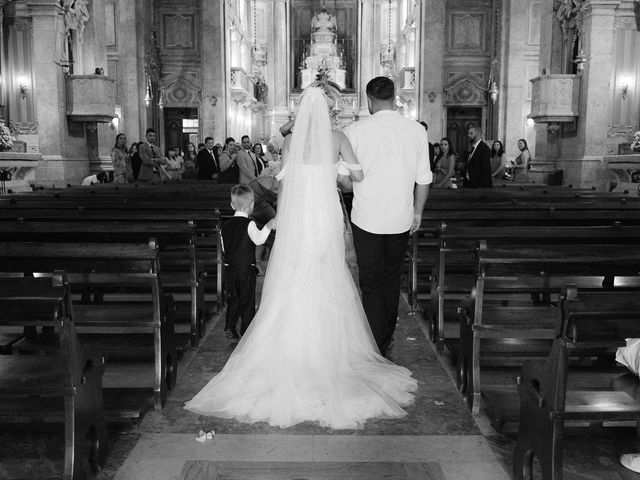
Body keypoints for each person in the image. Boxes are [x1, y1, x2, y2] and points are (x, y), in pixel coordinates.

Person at [184, 86, 417, 430]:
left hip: (298, 219)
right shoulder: (337, 137)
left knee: (294, 275)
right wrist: (334, 173)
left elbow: (280, 183)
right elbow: (357, 178)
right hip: (324, 216)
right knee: (327, 274)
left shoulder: (292, 143)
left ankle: (289, 349)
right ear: (327, 111)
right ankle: (327, 352)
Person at [343, 76, 431, 356]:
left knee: (370, 280)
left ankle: (374, 339)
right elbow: (424, 178)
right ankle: (387, 335)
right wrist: (417, 212)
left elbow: (344, 181)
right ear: (395, 98)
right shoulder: (416, 130)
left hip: (366, 218)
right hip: (400, 218)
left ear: (369, 100)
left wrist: (355, 185)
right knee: (392, 278)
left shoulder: (354, 130)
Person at [222, 184, 276, 340]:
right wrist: (268, 226)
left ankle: (230, 327)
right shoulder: (250, 224)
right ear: (252, 205)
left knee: (233, 298)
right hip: (246, 268)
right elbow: (259, 239)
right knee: (247, 299)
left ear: (232, 205)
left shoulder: (225, 226)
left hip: (230, 268)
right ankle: (247, 331)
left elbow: (225, 248)